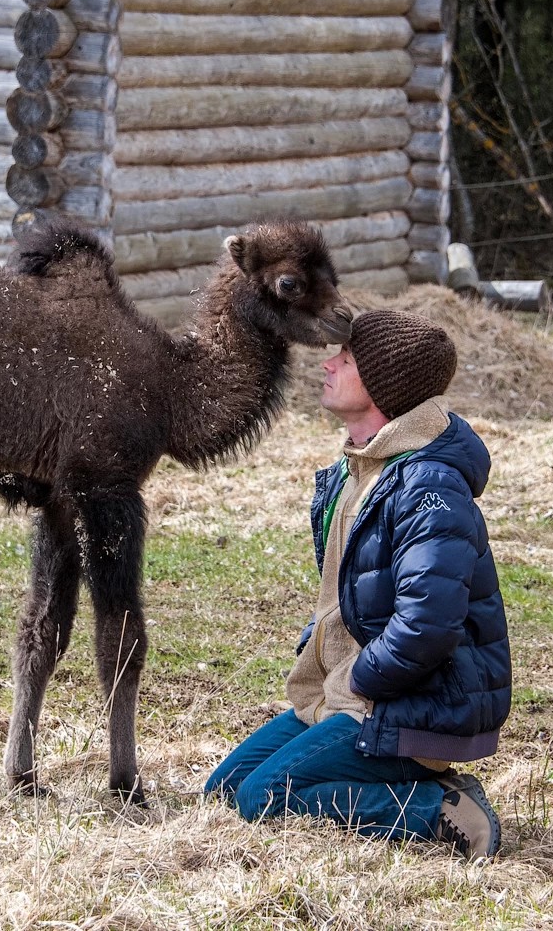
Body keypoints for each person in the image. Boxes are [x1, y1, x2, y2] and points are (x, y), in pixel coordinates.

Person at [205, 309, 512, 861]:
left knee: (262, 797)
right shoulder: (360, 472)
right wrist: (322, 646)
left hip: (409, 703)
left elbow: (428, 625)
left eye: (345, 359)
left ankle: (435, 811)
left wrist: (361, 679)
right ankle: (415, 790)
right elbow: (353, 593)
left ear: (381, 385)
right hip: (354, 690)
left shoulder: (427, 483)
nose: (328, 364)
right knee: (224, 792)